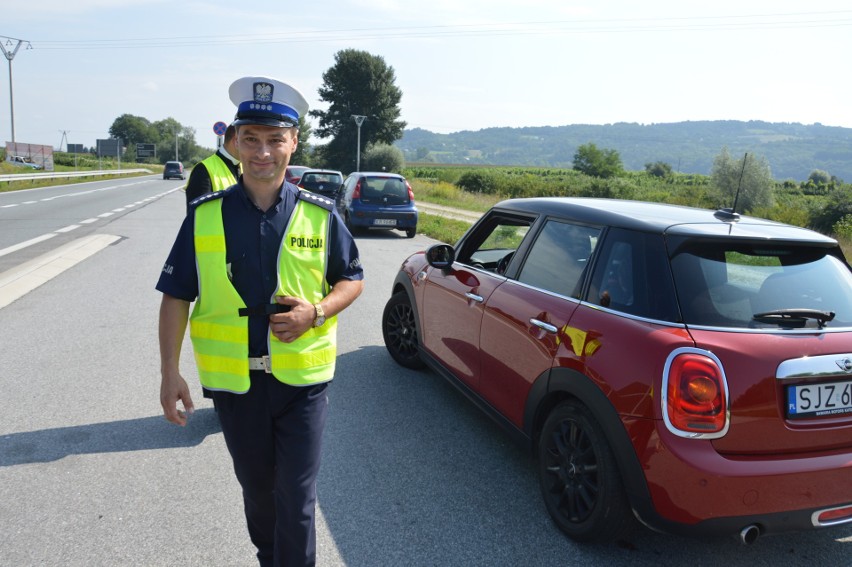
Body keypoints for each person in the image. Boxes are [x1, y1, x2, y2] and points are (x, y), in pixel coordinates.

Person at [157, 75, 364, 567]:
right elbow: (175, 295)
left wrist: (317, 311)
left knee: (296, 498)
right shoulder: (205, 215)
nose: (263, 151)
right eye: (251, 139)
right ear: (234, 142)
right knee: (258, 492)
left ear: (294, 142)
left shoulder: (321, 213)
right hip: (235, 386)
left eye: (275, 139)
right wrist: (169, 372)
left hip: (301, 384)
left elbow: (351, 279)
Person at [185, 123, 241, 211]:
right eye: (250, 140)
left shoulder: (244, 167)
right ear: (236, 141)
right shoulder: (203, 170)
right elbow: (197, 218)